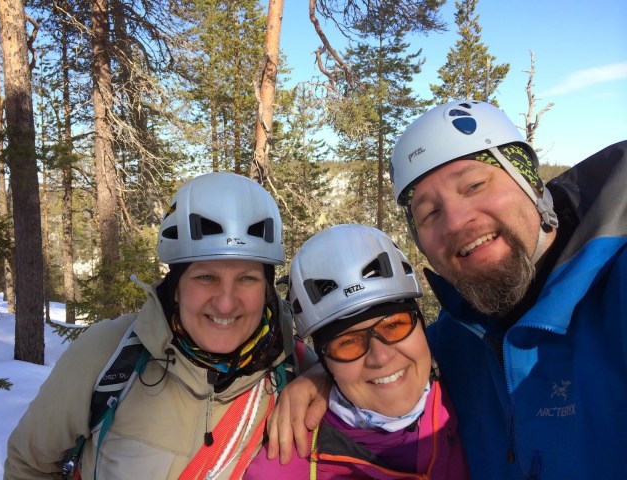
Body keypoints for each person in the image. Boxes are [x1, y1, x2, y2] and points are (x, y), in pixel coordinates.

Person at [268, 100, 627, 479]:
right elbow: (384, 356)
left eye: (474, 185)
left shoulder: (615, 290)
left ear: (531, 184)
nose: (456, 221)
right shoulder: (453, 343)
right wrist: (325, 376)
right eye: (429, 213)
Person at [5, 172, 315, 480]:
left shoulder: (296, 371)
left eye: (247, 278)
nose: (225, 303)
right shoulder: (108, 353)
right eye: (206, 277)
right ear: (176, 287)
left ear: (266, 289)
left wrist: (320, 381)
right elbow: (30, 467)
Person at [245, 224, 469, 479]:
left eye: (394, 325)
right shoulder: (286, 467)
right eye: (348, 342)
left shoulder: (471, 385)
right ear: (326, 362)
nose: (381, 357)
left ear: (421, 324)